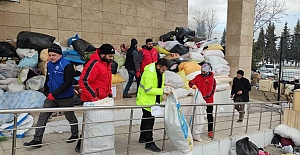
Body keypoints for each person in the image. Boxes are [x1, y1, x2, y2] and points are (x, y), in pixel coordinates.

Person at [23, 43, 79, 147]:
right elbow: (48, 77)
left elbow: (68, 83)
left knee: (70, 116)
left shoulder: (67, 65)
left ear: (60, 54)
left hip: (65, 97)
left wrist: (54, 94)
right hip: (51, 96)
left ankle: (75, 134)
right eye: (50, 55)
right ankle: (37, 140)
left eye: (54, 55)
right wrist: (46, 88)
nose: (51, 57)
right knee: (43, 116)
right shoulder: (49, 64)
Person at [75, 44, 115, 152]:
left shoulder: (106, 64)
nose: (112, 59)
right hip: (92, 100)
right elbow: (84, 81)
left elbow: (106, 81)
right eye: (110, 56)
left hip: (102, 100)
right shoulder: (94, 64)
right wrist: (94, 97)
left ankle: (94, 144)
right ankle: (83, 145)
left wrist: (109, 93)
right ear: (102, 54)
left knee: (96, 126)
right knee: (90, 125)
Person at [136, 58, 172, 152]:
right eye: (163, 70)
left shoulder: (159, 72)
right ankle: (149, 142)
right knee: (149, 122)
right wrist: (163, 91)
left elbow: (159, 84)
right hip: (146, 100)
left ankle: (143, 137)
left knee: (145, 119)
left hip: (152, 100)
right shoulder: (149, 72)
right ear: (158, 66)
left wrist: (164, 89)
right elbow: (148, 89)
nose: (164, 72)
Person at [188, 63, 216, 138]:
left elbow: (210, 92)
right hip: (198, 100)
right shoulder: (198, 77)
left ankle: (210, 131)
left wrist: (202, 97)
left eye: (204, 72)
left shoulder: (211, 80)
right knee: (197, 115)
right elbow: (191, 82)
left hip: (208, 101)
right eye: (202, 71)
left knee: (209, 115)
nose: (203, 73)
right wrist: (192, 85)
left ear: (208, 71)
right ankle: (195, 130)